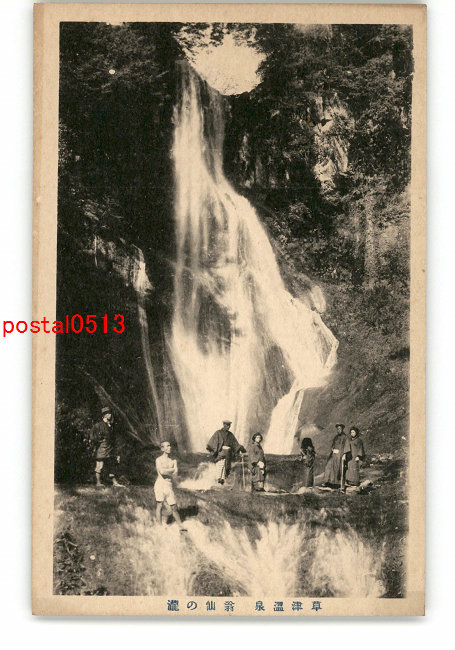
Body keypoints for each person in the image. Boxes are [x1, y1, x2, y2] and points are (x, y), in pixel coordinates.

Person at [154, 440, 186, 531]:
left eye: (170, 445)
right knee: (159, 505)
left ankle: (180, 526)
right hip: (160, 484)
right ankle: (159, 526)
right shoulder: (158, 460)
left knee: (174, 506)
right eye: (167, 446)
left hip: (169, 485)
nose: (169, 447)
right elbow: (162, 472)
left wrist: (169, 470)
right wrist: (172, 469)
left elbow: (175, 474)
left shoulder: (173, 461)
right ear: (162, 449)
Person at [90, 406, 125, 488]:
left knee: (112, 466)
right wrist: (100, 441)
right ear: (103, 415)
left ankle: (114, 482)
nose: (109, 415)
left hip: (110, 449)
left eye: (110, 413)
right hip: (102, 449)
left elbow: (113, 439)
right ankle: (98, 483)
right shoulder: (98, 425)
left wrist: (116, 451)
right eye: (107, 413)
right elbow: (93, 437)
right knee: (99, 466)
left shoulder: (111, 426)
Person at [206, 420, 246, 485]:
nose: (228, 427)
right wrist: (214, 451)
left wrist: (241, 449)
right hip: (221, 452)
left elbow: (235, 444)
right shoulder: (218, 433)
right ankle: (218, 481)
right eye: (226, 425)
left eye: (229, 425)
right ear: (223, 425)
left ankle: (223, 481)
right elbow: (212, 442)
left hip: (228, 453)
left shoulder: (230, 435)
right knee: (220, 465)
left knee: (226, 467)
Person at [320, 423, 350, 489]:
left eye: (340, 428)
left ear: (342, 429)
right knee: (328, 466)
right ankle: (327, 481)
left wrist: (344, 454)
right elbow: (333, 445)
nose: (339, 430)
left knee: (338, 468)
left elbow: (347, 446)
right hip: (334, 454)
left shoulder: (345, 437)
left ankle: (338, 483)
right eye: (337, 429)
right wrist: (332, 448)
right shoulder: (336, 437)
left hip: (340, 455)